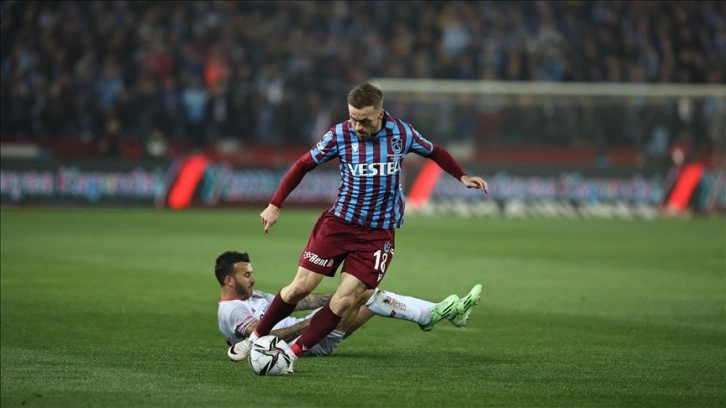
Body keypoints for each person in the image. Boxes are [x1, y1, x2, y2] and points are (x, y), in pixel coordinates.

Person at [231, 83, 488, 373]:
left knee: (344, 301)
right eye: (353, 118)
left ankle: (291, 353)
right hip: (338, 225)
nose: (357, 126)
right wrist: (275, 204)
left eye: (364, 120)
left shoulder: (401, 133)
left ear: (380, 114)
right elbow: (303, 164)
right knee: (299, 288)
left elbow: (435, 151)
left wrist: (462, 176)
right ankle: (254, 339)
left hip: (377, 237)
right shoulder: (339, 134)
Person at [217, 251, 483, 359]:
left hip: (313, 328)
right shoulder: (231, 311)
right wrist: (316, 323)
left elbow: (302, 302)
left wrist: (336, 299)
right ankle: (431, 315)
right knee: (365, 294)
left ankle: (444, 313)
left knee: (363, 291)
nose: (253, 278)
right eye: (246, 275)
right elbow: (265, 337)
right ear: (229, 280)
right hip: (310, 341)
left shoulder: (251, 297)